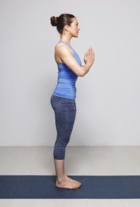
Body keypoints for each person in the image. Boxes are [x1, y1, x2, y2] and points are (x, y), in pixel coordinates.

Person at [50, 13, 95, 189]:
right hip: (63, 99)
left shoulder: (67, 47)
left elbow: (78, 71)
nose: (79, 27)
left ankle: (62, 176)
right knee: (62, 139)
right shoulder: (61, 48)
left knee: (63, 139)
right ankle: (61, 180)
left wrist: (85, 64)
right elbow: (80, 72)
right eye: (76, 24)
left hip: (66, 98)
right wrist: (89, 64)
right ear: (67, 27)